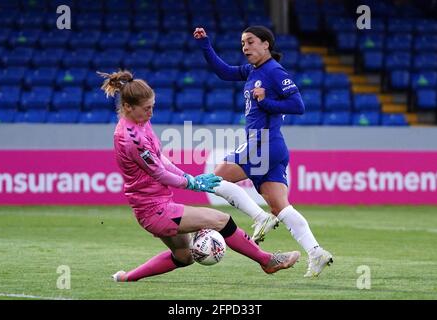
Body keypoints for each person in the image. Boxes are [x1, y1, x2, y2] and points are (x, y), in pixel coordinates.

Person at [97, 70, 300, 282]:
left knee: (184, 257)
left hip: (155, 206)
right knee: (222, 220)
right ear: (128, 107)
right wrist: (191, 183)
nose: (151, 113)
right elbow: (157, 172)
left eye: (152, 107)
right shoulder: (130, 138)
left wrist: (188, 177)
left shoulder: (139, 123)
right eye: (147, 109)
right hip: (156, 210)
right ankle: (267, 261)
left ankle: (127, 278)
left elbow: (161, 160)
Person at [193, 26, 333, 278]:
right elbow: (224, 72)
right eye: (242, 43)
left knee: (214, 178)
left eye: (250, 41)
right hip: (273, 147)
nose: (245, 47)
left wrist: (265, 101)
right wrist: (205, 45)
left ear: (266, 44)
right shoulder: (252, 71)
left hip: (263, 142)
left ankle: (259, 217)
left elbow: (298, 105)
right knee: (281, 207)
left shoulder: (275, 72)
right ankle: (316, 252)